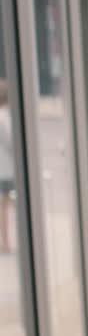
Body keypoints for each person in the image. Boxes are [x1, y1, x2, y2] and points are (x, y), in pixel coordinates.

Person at [0, 82, 14, 254]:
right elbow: (12, 143)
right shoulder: (5, 118)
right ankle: (6, 241)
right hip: (6, 170)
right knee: (5, 207)